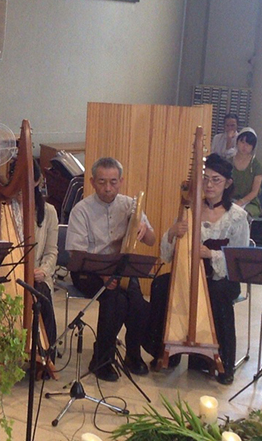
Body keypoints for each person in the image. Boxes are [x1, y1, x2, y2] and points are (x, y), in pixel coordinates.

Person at [151, 153, 249, 384]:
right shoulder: (190, 209)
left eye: (216, 180)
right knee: (161, 285)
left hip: (222, 278)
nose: (209, 185)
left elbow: (240, 261)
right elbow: (166, 254)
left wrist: (211, 254)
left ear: (227, 183)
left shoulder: (237, 217)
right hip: (190, 274)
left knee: (216, 294)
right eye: (205, 179)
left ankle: (222, 361)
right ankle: (165, 352)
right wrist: (173, 233)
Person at [66, 157, 156, 381]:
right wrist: (103, 274)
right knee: (114, 299)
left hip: (119, 269)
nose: (108, 188)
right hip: (88, 270)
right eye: (102, 182)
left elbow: (152, 241)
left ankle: (133, 355)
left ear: (121, 181)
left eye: (113, 182)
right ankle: (101, 359)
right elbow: (76, 256)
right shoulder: (81, 210)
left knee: (138, 304)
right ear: (92, 181)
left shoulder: (130, 205)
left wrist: (143, 228)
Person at [0, 159, 60, 353]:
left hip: (36, 275)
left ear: (37, 182)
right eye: (17, 185)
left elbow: (51, 251)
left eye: (26, 184)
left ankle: (44, 353)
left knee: (40, 294)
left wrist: (43, 270)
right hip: (4, 274)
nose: (20, 191)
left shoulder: (48, 212)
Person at [230, 127, 262, 217]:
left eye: (249, 144)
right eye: (242, 142)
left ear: (253, 147)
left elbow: (254, 192)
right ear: (237, 142)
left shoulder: (256, 166)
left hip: (250, 203)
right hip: (229, 200)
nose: (245, 146)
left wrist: (240, 202)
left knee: (241, 214)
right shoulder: (228, 162)